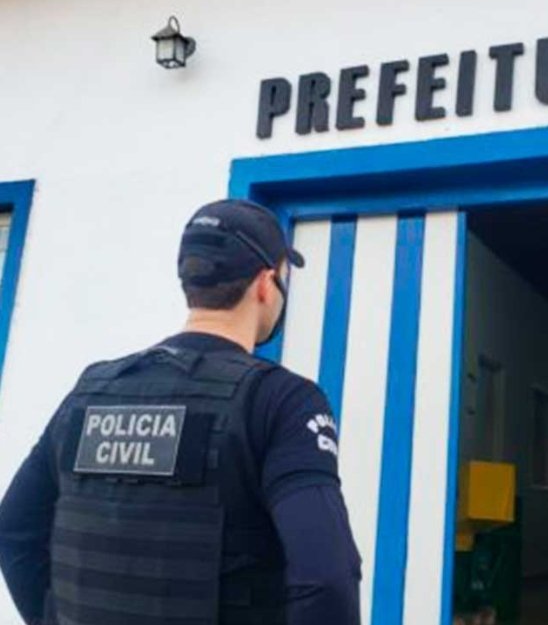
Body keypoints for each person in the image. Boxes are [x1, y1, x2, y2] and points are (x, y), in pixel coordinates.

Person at [0, 199, 362, 625]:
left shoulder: (91, 390)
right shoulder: (280, 400)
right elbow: (327, 579)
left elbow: (14, 530)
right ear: (266, 284)